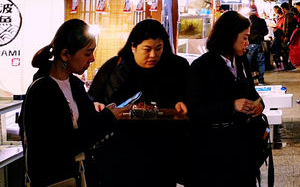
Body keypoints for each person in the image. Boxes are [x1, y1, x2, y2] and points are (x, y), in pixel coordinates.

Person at [20, 19, 121, 187]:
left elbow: (87, 126)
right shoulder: (42, 90)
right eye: (88, 53)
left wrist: (106, 114)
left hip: (80, 175)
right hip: (56, 179)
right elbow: (62, 145)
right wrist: (107, 119)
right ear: (65, 54)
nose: (93, 59)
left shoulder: (75, 84)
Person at [89, 19, 189, 187]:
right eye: (147, 49)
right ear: (133, 47)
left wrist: (183, 104)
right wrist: (96, 105)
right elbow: (93, 98)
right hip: (121, 152)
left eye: (158, 49)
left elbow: (190, 97)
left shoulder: (176, 67)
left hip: (163, 152)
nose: (153, 55)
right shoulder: (116, 67)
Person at [187, 10, 265, 187]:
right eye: (244, 38)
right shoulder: (201, 66)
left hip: (243, 145)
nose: (247, 43)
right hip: (213, 150)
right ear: (230, 36)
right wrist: (232, 106)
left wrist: (259, 105)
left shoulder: (242, 61)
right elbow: (195, 110)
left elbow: (252, 93)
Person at [247, 6, 268, 84]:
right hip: (259, 43)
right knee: (261, 62)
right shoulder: (261, 21)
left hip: (250, 44)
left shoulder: (247, 22)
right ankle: (261, 80)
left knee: (248, 63)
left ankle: (249, 80)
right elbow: (266, 32)